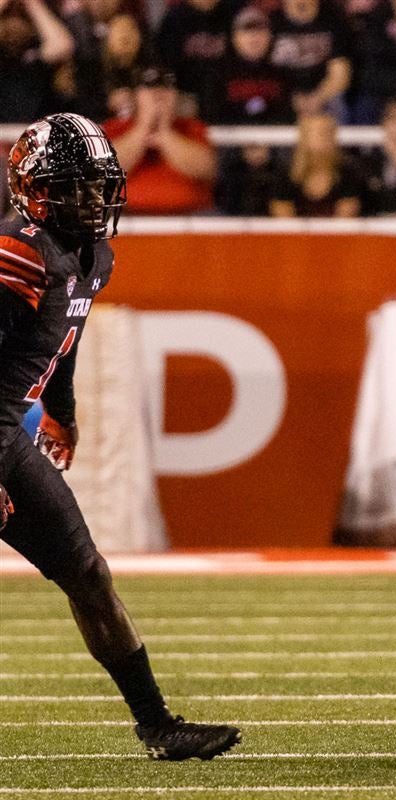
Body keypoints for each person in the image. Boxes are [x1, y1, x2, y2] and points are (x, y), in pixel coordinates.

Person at [0, 112, 240, 760]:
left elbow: (63, 342)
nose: (95, 199)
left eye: (100, 184)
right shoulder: (17, 251)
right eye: (77, 186)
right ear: (36, 190)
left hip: (4, 440)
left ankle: (157, 725)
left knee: (87, 573)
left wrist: (61, 412)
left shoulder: (92, 255)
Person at [104, 66, 217, 214]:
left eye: (165, 89)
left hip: (190, 216)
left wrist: (165, 132)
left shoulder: (192, 127)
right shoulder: (116, 127)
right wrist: (143, 128)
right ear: (135, 95)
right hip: (126, 216)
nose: (158, 94)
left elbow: (204, 169)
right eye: (149, 89)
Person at [269, 112, 366, 217]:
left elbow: (345, 220)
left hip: (334, 232)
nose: (326, 139)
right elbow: (283, 220)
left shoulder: (348, 172)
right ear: (304, 138)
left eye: (330, 133)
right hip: (296, 233)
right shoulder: (286, 173)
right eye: (321, 133)